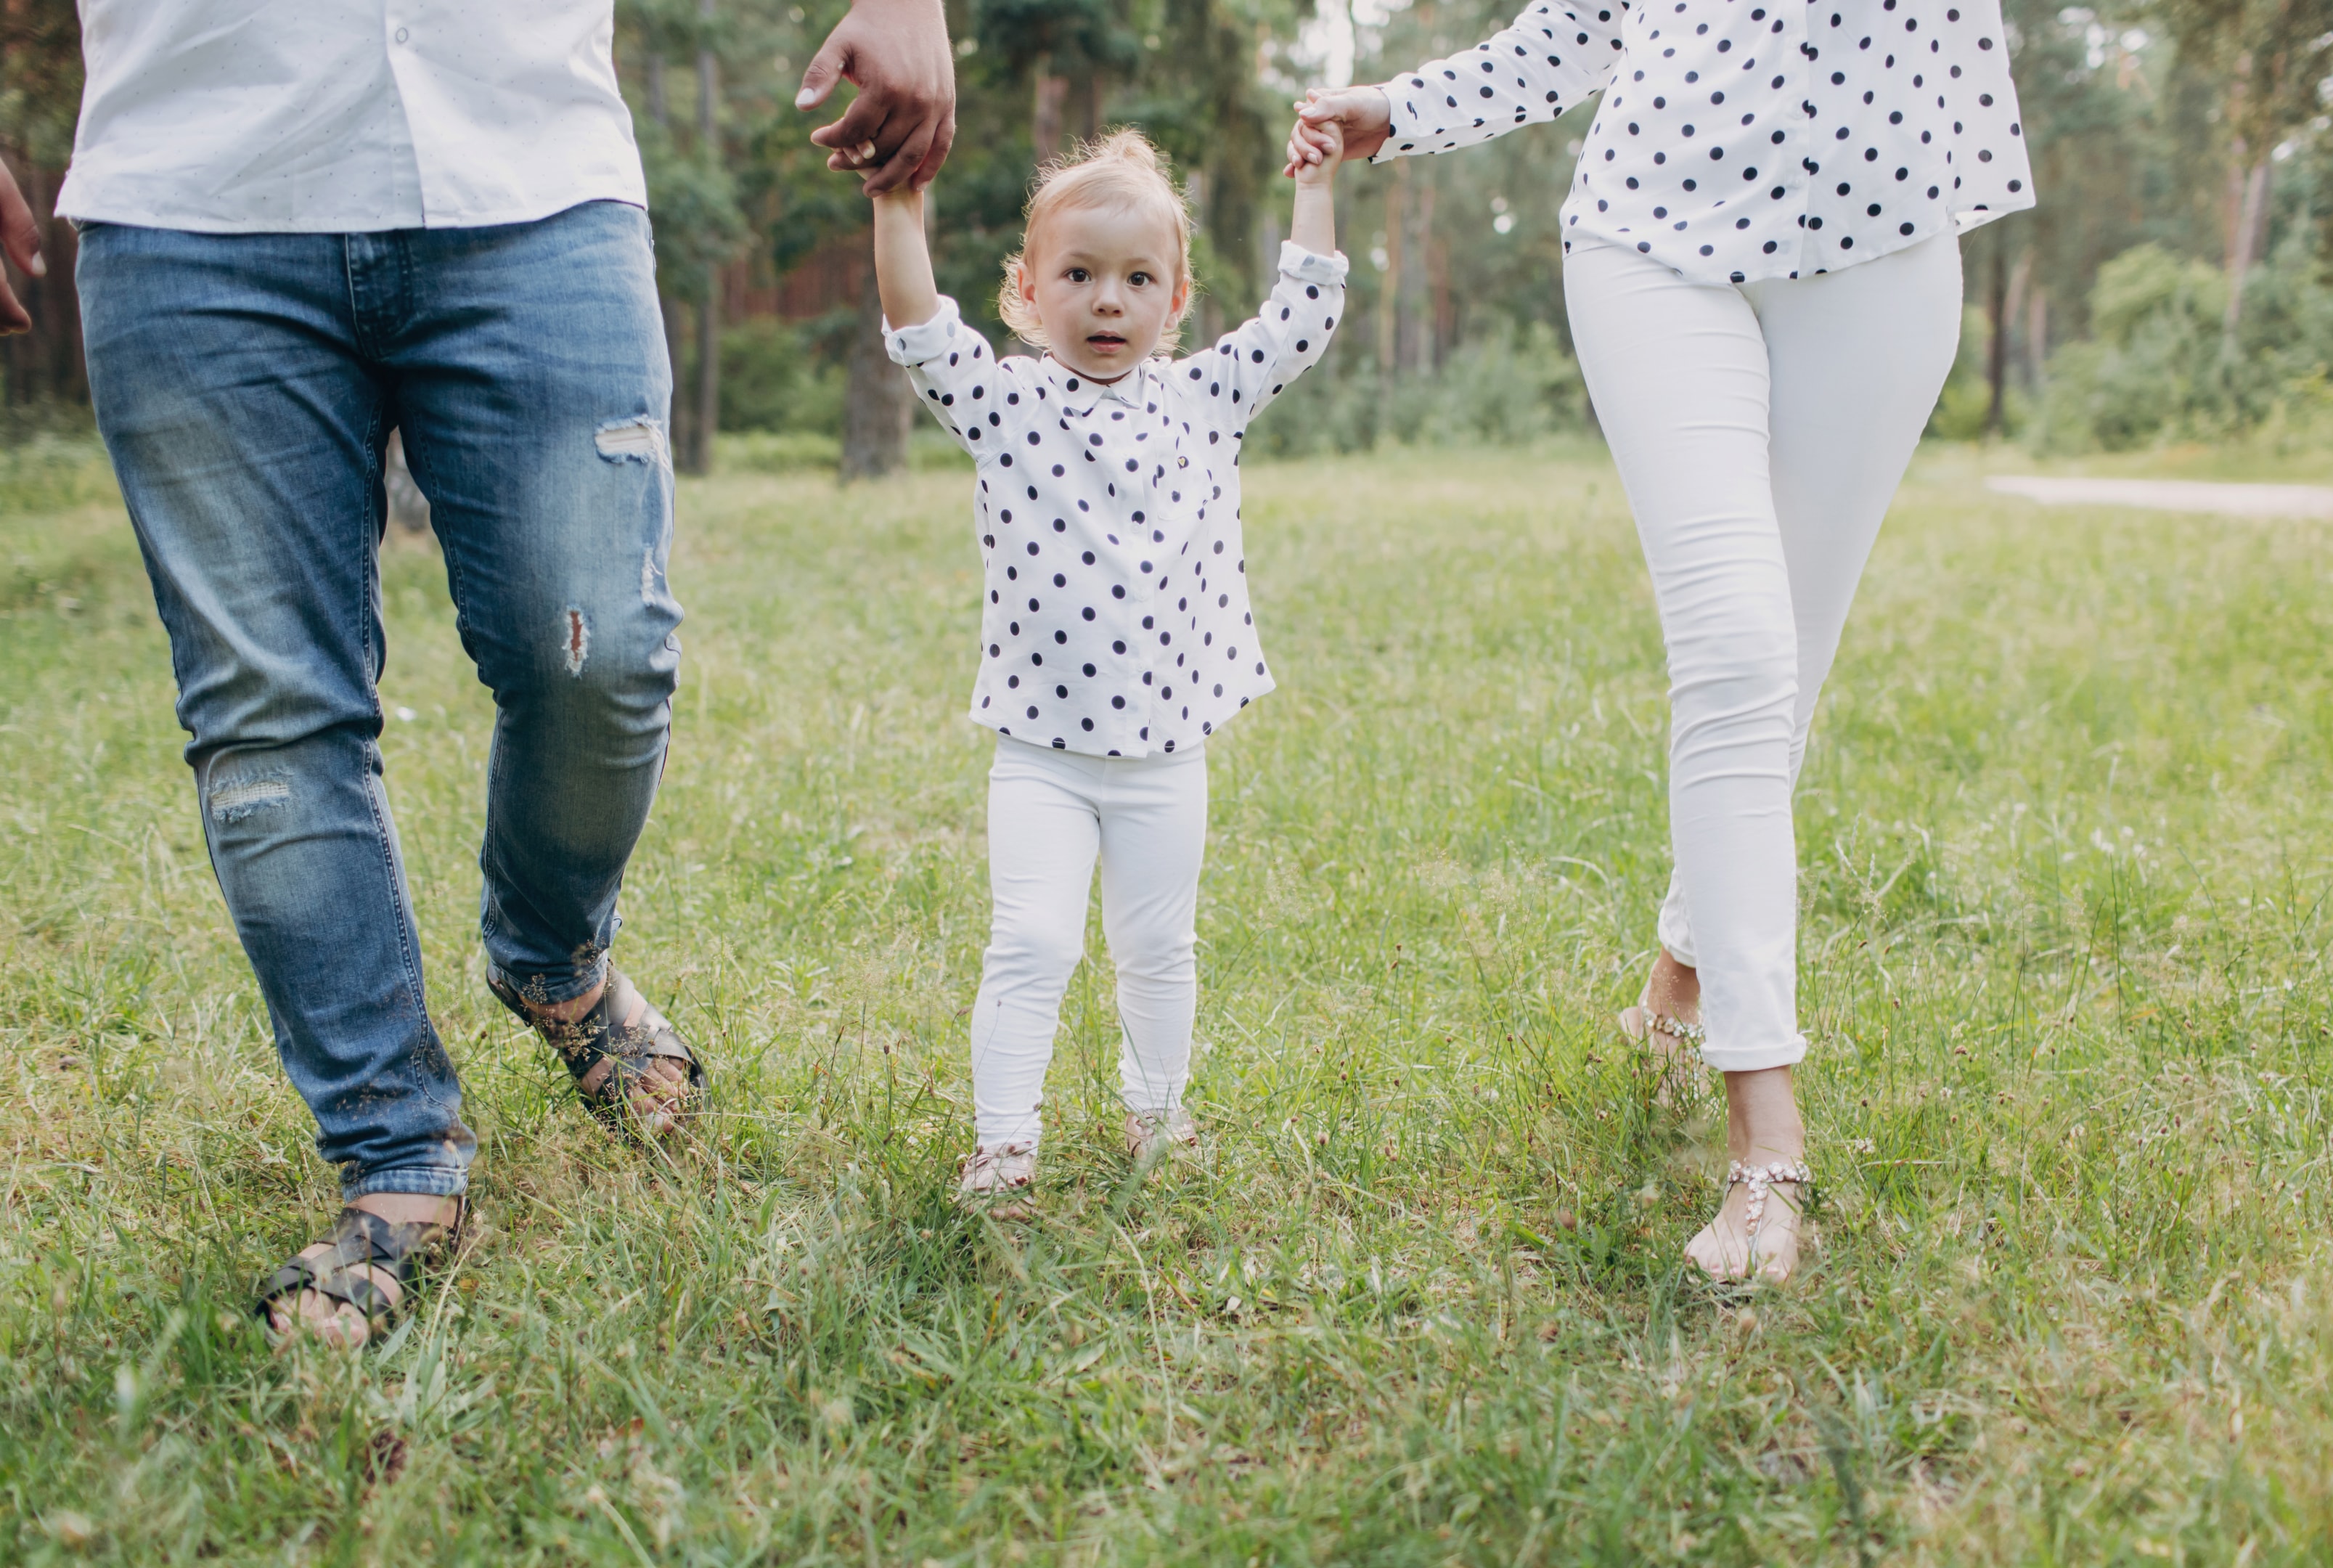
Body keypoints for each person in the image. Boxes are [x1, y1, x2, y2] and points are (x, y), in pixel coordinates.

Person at [0, 0, 954, 1347]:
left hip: (528, 171)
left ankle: (550, 956)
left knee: (601, 656)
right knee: (271, 720)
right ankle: (397, 1156)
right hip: (194, 194)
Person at [1289, 0, 2034, 1281]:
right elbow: (1576, 29)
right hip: (1654, 236)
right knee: (1738, 655)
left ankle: (1675, 990)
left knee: (1785, 666)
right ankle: (1766, 1145)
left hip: (1885, 238)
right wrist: (1400, 113)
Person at [863, 127, 1349, 1215]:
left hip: (1168, 753)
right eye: (1078, 277)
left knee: (1158, 948)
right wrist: (898, 207)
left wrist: (1314, 189)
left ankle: (1158, 1112)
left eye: (1137, 280)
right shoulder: (1007, 406)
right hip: (1041, 752)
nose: (1108, 302)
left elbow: (1302, 324)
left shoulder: (1204, 401)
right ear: (1030, 293)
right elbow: (918, 329)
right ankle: (1001, 1143)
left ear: (1175, 302)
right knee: (1030, 940)